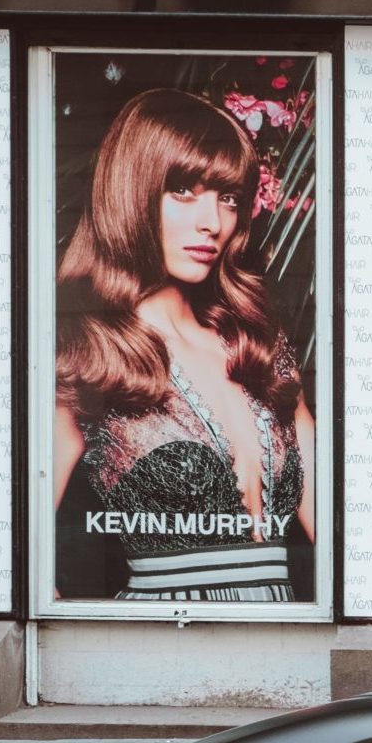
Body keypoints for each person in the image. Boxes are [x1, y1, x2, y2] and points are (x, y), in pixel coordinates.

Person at [50, 89, 316, 601]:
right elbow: (10, 555)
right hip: (161, 635)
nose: (212, 223)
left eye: (228, 198)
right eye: (183, 192)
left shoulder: (257, 347)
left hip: (283, 632)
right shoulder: (88, 349)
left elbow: (339, 528)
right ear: (132, 192)